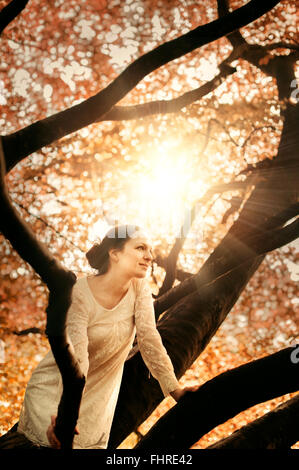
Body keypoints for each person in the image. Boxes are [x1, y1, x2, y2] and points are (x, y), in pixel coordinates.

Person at [13, 224, 195, 449]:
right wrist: (65, 415)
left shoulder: (140, 289)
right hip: (53, 396)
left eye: (150, 250)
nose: (150, 256)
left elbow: (149, 338)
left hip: (98, 408)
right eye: (140, 248)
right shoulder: (79, 291)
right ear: (115, 253)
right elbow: (77, 360)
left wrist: (175, 390)